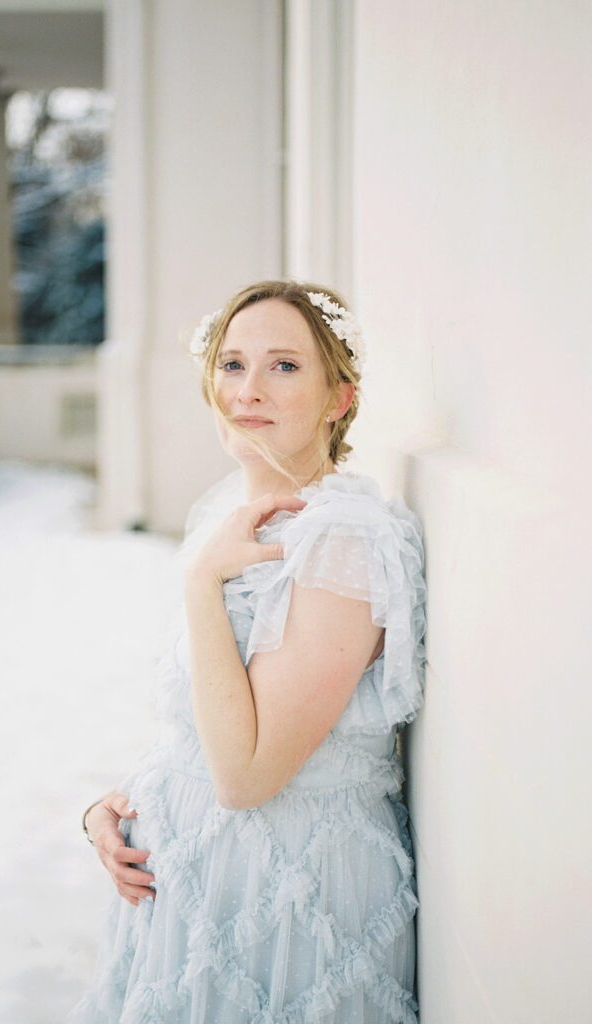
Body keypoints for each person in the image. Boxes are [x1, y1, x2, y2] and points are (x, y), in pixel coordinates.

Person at [68, 280, 427, 1023]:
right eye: (231, 364)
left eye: (284, 366)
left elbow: (246, 776)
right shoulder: (230, 511)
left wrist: (202, 580)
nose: (248, 389)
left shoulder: (343, 539)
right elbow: (207, 715)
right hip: (186, 878)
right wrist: (119, 803)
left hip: (287, 889)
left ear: (340, 398)